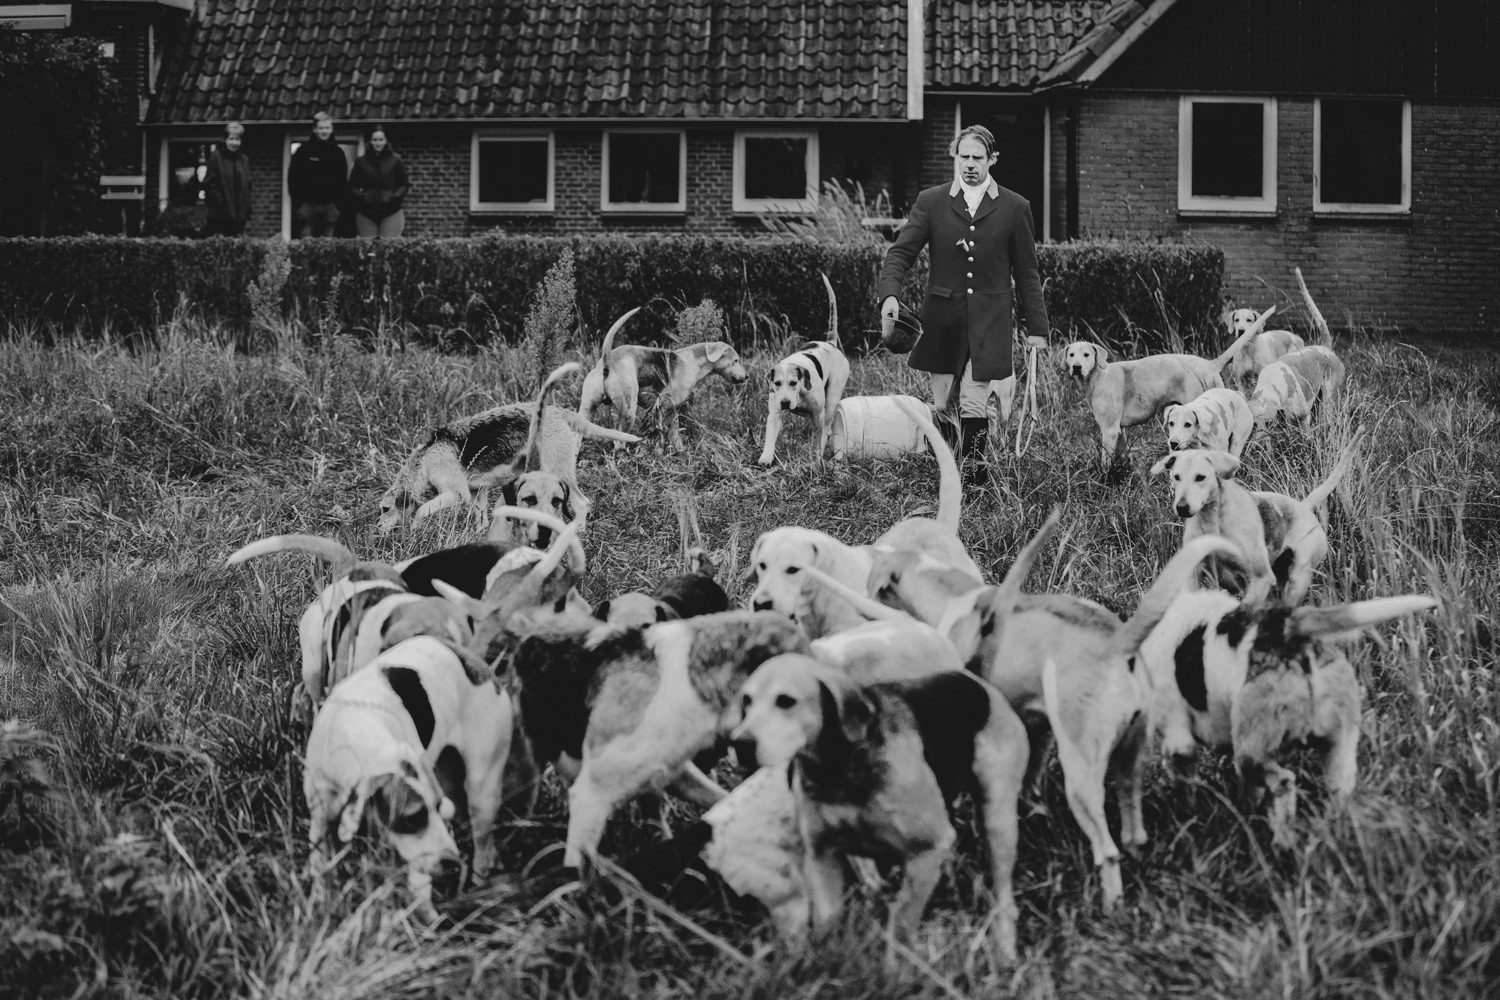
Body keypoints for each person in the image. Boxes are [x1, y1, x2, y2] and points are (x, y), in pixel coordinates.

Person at [875, 124, 1050, 472]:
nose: (970, 164)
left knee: (973, 401)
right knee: (943, 406)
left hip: (991, 321)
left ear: (992, 159)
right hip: (943, 320)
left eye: (978, 158)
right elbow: (900, 253)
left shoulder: (1015, 207)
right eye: (963, 156)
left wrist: (1037, 329)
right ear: (955, 157)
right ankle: (948, 469)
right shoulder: (931, 201)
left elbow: (1027, 272)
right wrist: (889, 296)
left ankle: (973, 479)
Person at [287, 112, 349, 238]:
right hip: (307, 207)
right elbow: (293, 179)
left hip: (330, 207)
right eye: (321, 128)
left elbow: (343, 181)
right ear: (314, 129)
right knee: (306, 245)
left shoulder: (338, 153)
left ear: (331, 129)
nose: (324, 131)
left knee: (328, 246)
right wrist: (299, 204)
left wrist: (337, 205)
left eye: (327, 128)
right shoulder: (303, 152)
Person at [348, 125, 410, 238]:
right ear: (370, 141)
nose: (378, 143)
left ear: (386, 141)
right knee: (367, 246)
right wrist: (362, 197)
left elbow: (404, 184)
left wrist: (394, 197)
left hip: (391, 211)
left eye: (381, 140)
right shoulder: (361, 161)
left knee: (388, 246)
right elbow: (352, 185)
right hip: (366, 213)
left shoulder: (396, 160)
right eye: (375, 140)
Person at [203, 122, 251, 236]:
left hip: (239, 220)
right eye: (231, 139)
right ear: (225, 140)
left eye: (237, 139)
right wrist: (222, 206)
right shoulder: (215, 158)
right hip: (219, 219)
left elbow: (247, 187)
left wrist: (247, 210)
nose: (234, 143)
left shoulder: (244, 160)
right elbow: (210, 185)